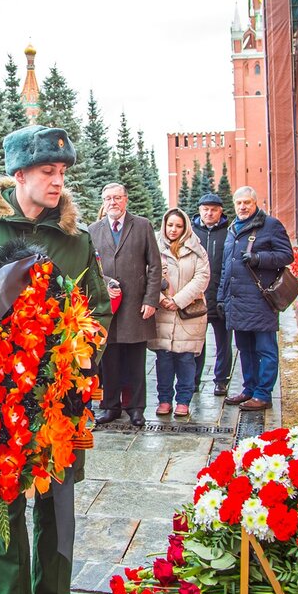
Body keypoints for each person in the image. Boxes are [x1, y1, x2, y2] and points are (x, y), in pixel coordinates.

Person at [0, 124, 113, 594]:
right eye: (47, 170)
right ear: (18, 174)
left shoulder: (74, 240)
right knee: (5, 504)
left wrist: (78, 357)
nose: (58, 181)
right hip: (1, 402)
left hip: (62, 400)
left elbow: (98, 307)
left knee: (59, 510)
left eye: (62, 172)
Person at [88, 182, 161, 427]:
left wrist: (151, 300)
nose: (113, 202)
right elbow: (91, 269)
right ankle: (110, 407)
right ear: (103, 202)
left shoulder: (142, 226)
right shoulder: (93, 230)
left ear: (125, 200)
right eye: (108, 198)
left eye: (117, 198)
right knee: (109, 361)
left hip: (136, 306)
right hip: (106, 307)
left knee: (135, 361)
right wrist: (106, 283)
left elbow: (155, 266)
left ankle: (136, 408)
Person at [216, 186, 294, 411]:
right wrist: (222, 297)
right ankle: (249, 389)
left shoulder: (270, 225)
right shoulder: (233, 228)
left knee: (265, 349)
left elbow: (286, 255)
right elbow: (226, 267)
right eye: (239, 203)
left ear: (255, 203)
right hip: (237, 301)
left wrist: (259, 258)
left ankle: (263, 394)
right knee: (244, 348)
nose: (242, 207)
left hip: (260, 301)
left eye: (247, 202)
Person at [151, 208, 210, 418]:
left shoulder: (196, 250)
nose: (173, 230)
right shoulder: (155, 247)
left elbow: (202, 278)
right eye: (170, 225)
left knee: (186, 359)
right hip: (163, 313)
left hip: (188, 314)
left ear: (185, 227)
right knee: (164, 359)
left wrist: (178, 300)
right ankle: (164, 400)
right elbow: (148, 274)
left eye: (178, 226)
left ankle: (183, 401)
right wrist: (161, 299)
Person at [191, 193, 232, 395]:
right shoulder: (190, 232)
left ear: (220, 211)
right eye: (205, 209)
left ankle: (221, 380)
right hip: (198, 297)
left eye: (213, 209)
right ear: (199, 210)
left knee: (223, 343)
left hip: (222, 296)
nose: (209, 213)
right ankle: (194, 380)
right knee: (197, 341)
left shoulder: (229, 232)